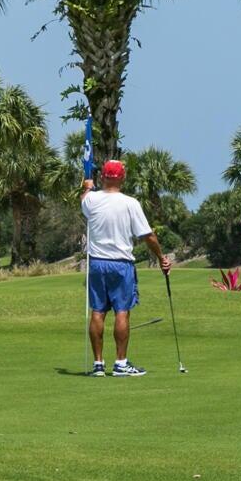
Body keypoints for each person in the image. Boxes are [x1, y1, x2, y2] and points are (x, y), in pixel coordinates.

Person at [82, 158, 171, 376]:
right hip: (121, 264)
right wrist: (161, 258)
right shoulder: (131, 203)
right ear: (123, 177)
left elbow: (84, 197)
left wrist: (87, 186)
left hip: (96, 263)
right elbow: (148, 236)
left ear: (103, 176)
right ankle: (121, 364)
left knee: (98, 311)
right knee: (122, 312)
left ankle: (98, 365)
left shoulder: (91, 200)